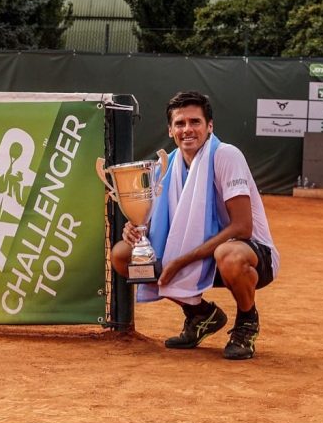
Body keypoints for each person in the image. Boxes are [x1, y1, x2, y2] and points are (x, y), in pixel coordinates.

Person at [110, 90, 280, 360]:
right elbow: (154, 224)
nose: (187, 129)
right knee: (122, 255)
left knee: (229, 254)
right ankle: (201, 315)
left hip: (252, 256)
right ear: (170, 130)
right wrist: (134, 230)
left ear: (209, 126)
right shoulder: (165, 166)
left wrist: (179, 261)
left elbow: (242, 228)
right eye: (180, 123)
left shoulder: (226, 155)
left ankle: (247, 321)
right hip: (200, 259)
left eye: (195, 122)